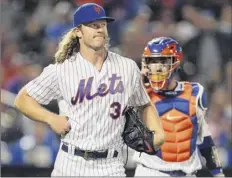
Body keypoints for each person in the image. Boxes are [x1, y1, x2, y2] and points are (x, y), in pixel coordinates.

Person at [14, 3, 165, 176]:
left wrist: (158, 133)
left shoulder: (127, 67)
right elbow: (22, 99)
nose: (99, 29)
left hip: (111, 165)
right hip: (71, 163)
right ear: (78, 31)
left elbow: (144, 103)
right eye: (93, 26)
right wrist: (51, 118)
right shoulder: (62, 70)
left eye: (102, 25)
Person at [133, 37, 225, 177]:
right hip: (150, 172)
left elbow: (205, 140)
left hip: (187, 173)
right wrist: (137, 85)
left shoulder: (195, 92)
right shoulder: (139, 93)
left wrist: (218, 173)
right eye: (152, 61)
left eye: (162, 61)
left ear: (175, 63)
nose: (156, 67)